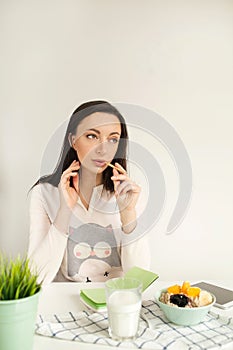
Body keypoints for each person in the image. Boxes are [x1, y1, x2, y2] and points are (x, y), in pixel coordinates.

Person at [28, 100, 151, 284]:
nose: (103, 149)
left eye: (112, 139)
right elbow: (34, 279)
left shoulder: (129, 194)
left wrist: (128, 215)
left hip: (114, 299)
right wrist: (64, 211)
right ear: (73, 141)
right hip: (68, 300)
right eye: (92, 136)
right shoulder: (43, 194)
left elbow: (139, 279)